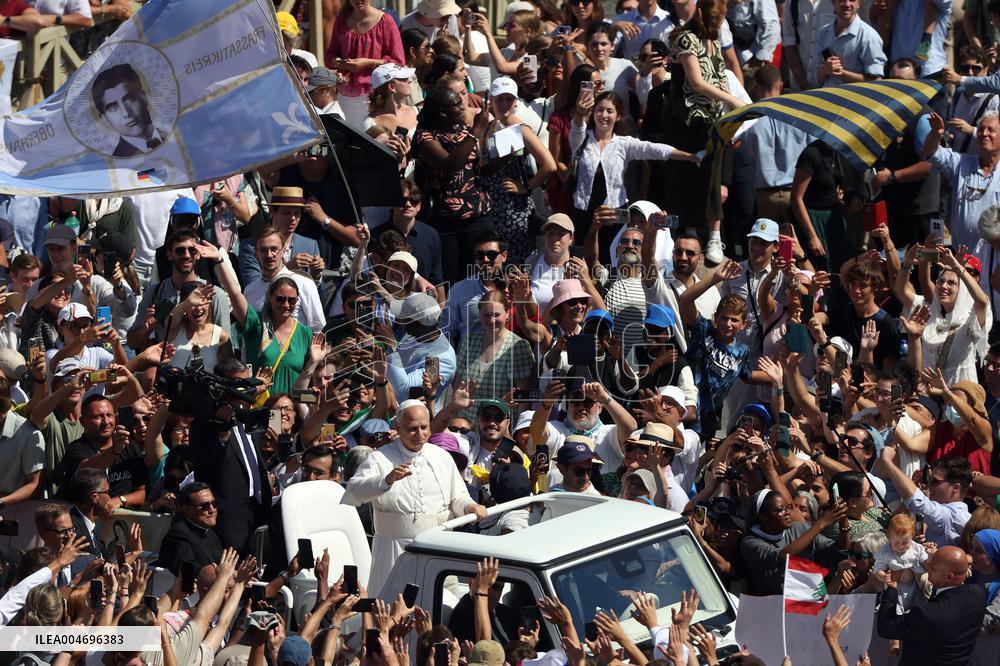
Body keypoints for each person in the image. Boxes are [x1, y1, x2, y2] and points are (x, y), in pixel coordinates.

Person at [343, 400, 486, 595]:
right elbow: (353, 491)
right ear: (398, 428)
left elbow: (458, 497)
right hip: (395, 550)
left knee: (440, 603)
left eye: (424, 427)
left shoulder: (442, 456)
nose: (420, 434)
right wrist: (385, 481)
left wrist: (470, 506)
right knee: (391, 605)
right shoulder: (380, 457)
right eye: (412, 429)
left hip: (438, 546)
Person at [567, 90, 697, 240]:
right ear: (593, 112)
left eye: (610, 111)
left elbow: (654, 149)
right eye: (600, 110)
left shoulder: (624, 144)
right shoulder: (582, 139)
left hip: (615, 212)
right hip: (583, 210)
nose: (604, 115)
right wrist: (580, 113)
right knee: (582, 250)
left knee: (612, 251)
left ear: (618, 116)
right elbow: (577, 129)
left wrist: (690, 156)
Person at [412, 85, 493, 285]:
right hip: (445, 225)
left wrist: (507, 156)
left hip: (477, 218)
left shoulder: (462, 130)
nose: (463, 107)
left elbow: (477, 170)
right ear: (442, 113)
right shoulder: (425, 137)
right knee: (452, 282)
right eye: (456, 105)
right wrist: (476, 130)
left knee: (480, 281)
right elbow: (450, 165)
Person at [482, 77, 556, 265]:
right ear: (491, 100)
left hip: (514, 211)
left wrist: (526, 187)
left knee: (517, 266)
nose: (504, 104)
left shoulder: (521, 129)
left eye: (509, 99)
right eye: (499, 99)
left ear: (516, 101)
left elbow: (549, 164)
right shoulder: (490, 125)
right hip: (492, 208)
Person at [876, 545, 987, 665]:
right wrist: (938, 558)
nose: (927, 566)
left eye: (933, 567)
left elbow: (886, 626)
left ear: (949, 576)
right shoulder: (978, 594)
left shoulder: (928, 614)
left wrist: (892, 586)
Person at [453, 291, 535, 419]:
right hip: (466, 423)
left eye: (496, 315)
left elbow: (524, 397)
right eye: (486, 315)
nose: (492, 320)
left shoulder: (518, 346)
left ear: (507, 314)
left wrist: (520, 428)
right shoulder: (470, 341)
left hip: (498, 424)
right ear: (479, 315)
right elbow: (457, 386)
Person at [325, 0, 405, 129]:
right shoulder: (341, 19)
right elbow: (331, 54)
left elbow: (398, 62)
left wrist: (367, 63)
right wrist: (338, 62)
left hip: (373, 97)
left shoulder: (385, 21)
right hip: (344, 96)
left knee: (370, 137)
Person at [91, 64, 167, 157]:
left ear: (144, 97)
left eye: (130, 99)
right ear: (104, 119)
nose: (126, 113)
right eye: (113, 108)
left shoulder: (177, 133)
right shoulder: (117, 162)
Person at [810, 0, 887, 87]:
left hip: (855, 96)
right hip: (827, 95)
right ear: (833, 3)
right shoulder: (824, 33)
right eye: (842, 0)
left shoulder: (869, 36)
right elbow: (817, 79)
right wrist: (824, 70)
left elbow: (876, 81)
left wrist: (841, 73)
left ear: (858, 4)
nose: (847, 4)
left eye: (852, 0)